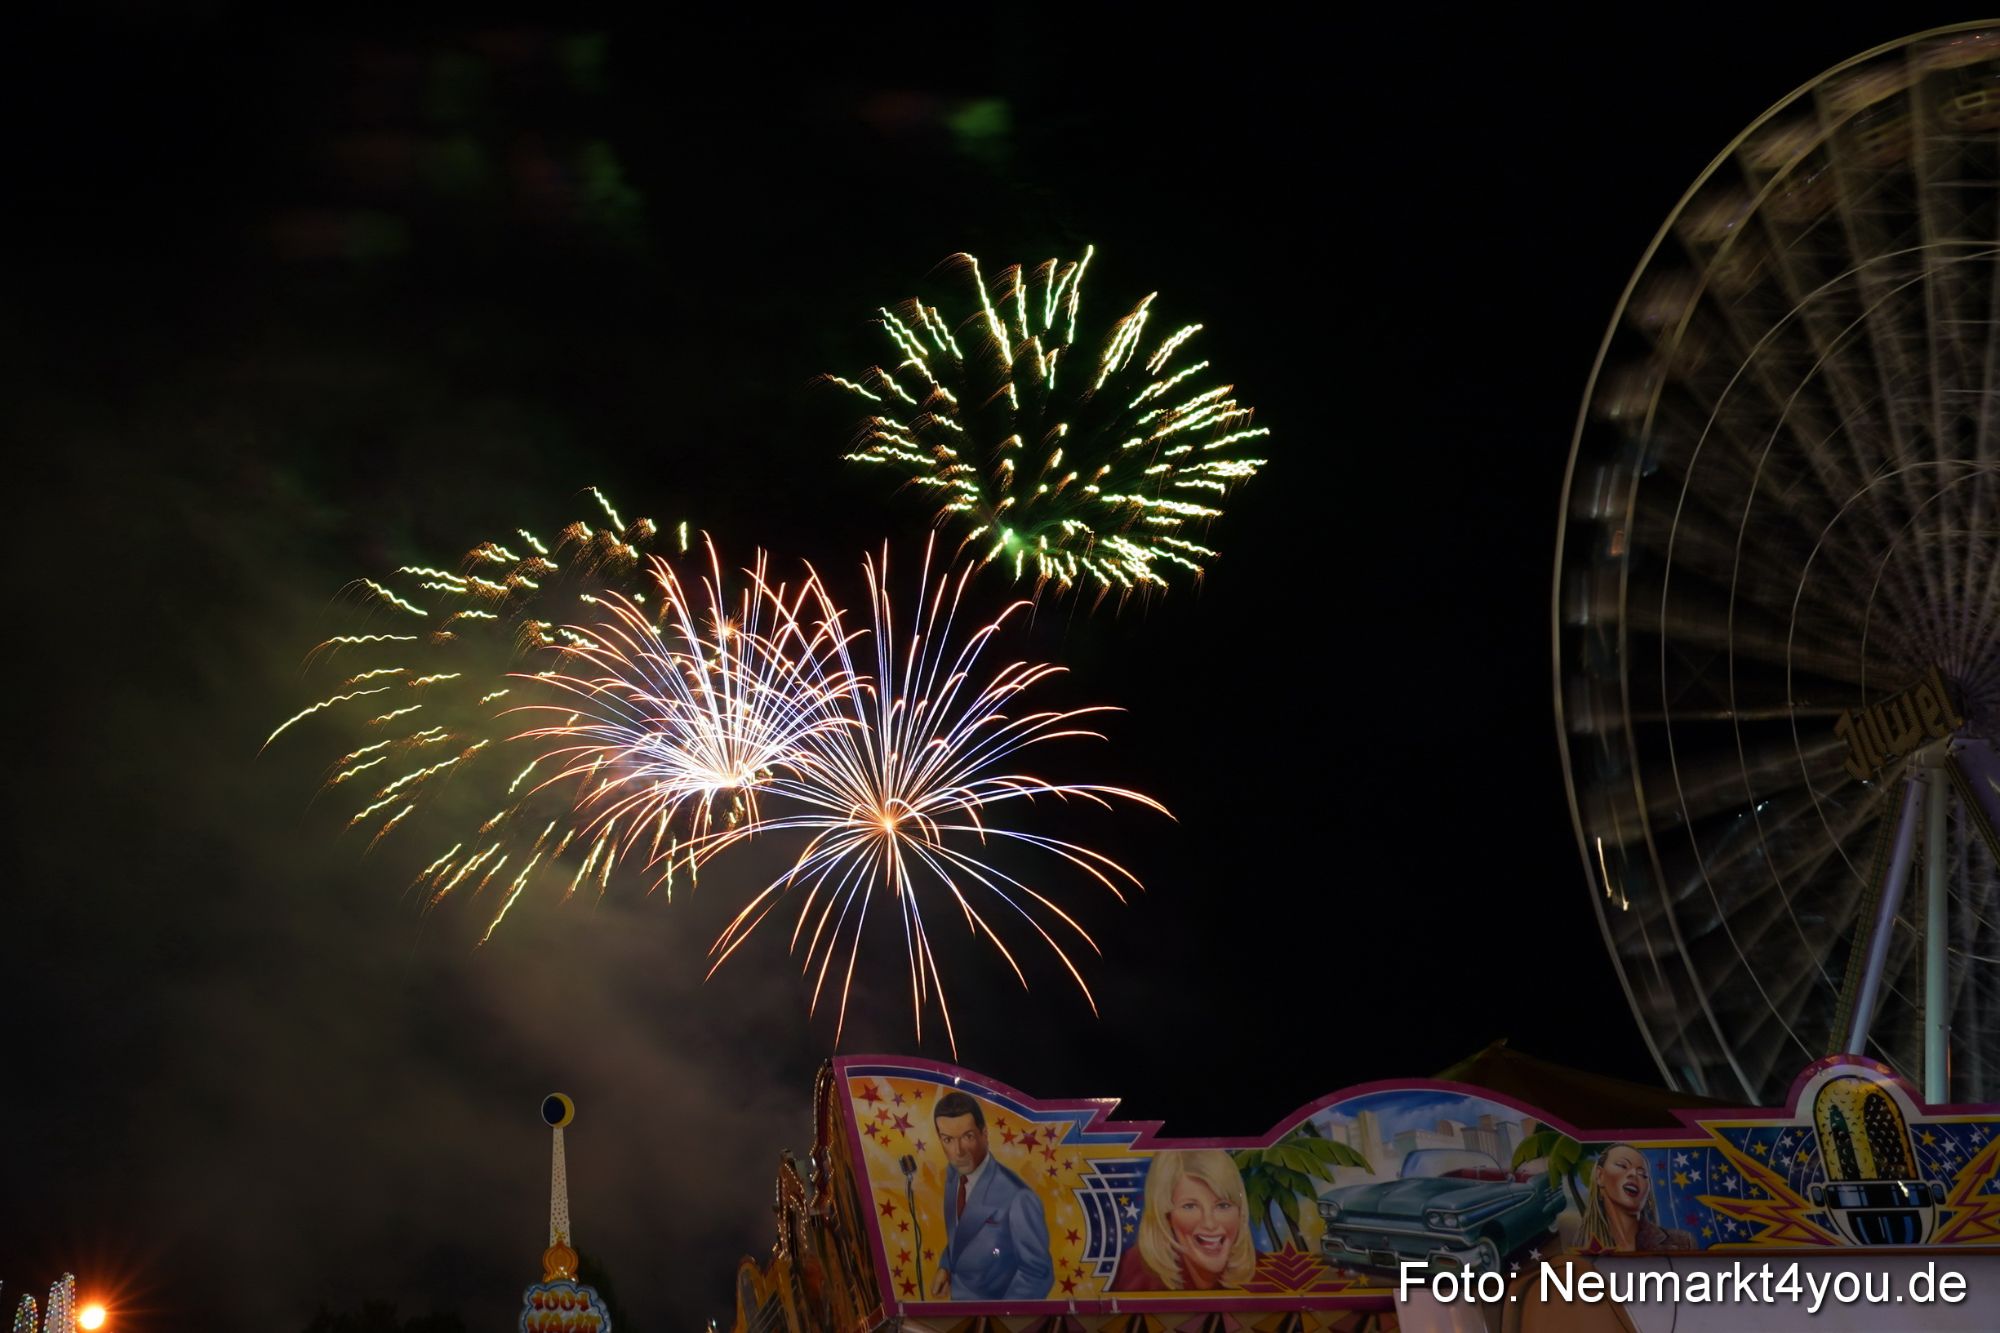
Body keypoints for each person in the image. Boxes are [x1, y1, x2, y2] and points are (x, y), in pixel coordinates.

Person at [929, 1091, 1053, 1300]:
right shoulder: (954, 1177)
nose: (958, 1151)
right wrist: (946, 1266)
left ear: (984, 1134)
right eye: (948, 1139)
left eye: (967, 1137)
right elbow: (963, 1235)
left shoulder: (1018, 1198)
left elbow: (1037, 1275)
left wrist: (998, 1320)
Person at [1109, 1149, 1256, 1291]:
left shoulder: (1265, 1271)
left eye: (1223, 1205)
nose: (1210, 1224)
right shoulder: (1138, 1273)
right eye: (1190, 1206)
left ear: (1240, 1212)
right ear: (1166, 1217)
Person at [1568, 1143, 1694, 1253]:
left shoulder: (1682, 1243)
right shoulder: (1576, 1248)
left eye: (1643, 1174)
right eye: (1622, 1166)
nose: (1634, 1174)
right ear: (1600, 1176)